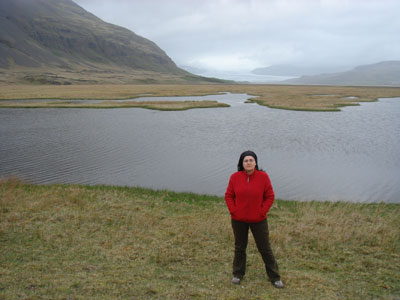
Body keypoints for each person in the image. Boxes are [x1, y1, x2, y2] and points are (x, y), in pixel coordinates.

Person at [225, 150, 284, 288]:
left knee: (265, 248)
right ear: (242, 163)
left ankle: (275, 277)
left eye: (251, 160)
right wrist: (234, 211)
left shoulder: (263, 177)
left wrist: (262, 211)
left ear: (255, 162)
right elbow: (229, 195)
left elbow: (270, 196)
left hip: (258, 220)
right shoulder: (235, 177)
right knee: (240, 247)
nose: (248, 162)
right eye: (245, 160)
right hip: (238, 220)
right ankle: (238, 274)